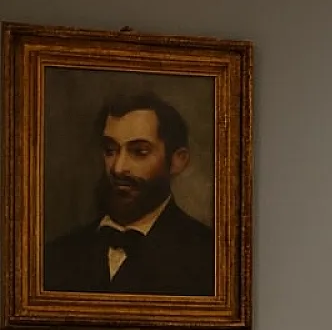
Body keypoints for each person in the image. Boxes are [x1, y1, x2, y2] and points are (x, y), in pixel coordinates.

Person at [42, 92, 214, 296]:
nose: (118, 168)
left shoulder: (209, 254)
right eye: (110, 150)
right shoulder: (57, 253)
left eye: (139, 152)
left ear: (178, 161)